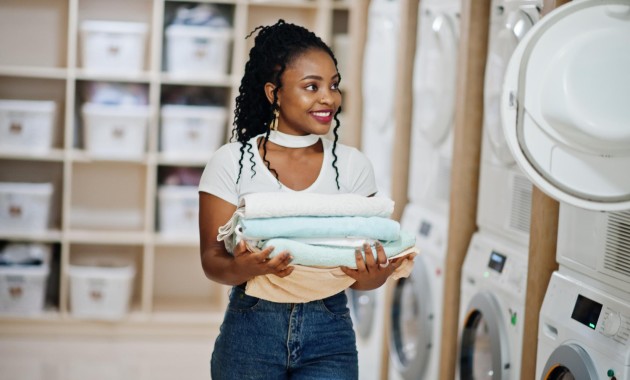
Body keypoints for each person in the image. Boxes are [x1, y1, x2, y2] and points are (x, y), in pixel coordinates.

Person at [198, 19, 407, 380]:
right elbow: (211, 260)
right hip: (252, 328)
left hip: (330, 329)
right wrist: (247, 268)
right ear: (273, 93)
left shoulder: (353, 166)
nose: (329, 98)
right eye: (312, 87)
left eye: (334, 85)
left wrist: (375, 274)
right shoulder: (230, 162)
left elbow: (363, 277)